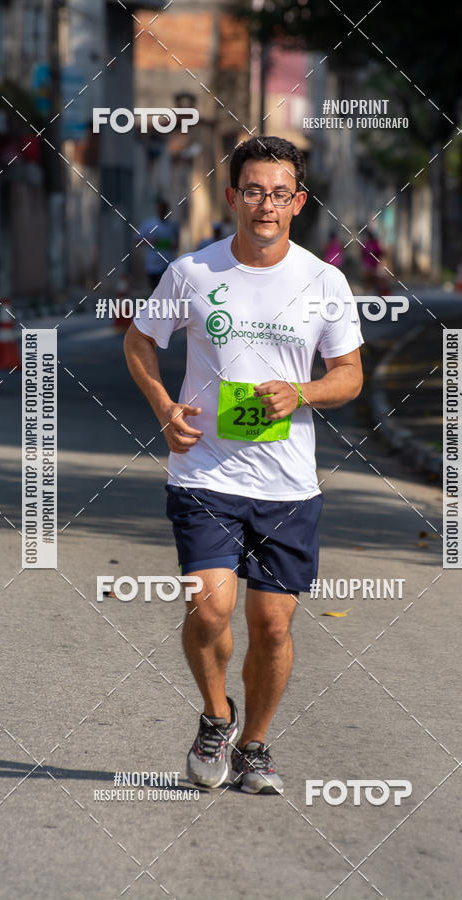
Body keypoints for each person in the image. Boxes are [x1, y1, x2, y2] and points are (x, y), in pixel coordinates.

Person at [124, 135, 363, 794]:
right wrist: (164, 406)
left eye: (279, 192)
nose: (265, 204)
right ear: (233, 197)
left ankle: (254, 744)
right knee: (208, 610)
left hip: (288, 484)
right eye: (253, 190)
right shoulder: (193, 273)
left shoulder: (324, 281)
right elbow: (140, 341)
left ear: (298, 202)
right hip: (205, 475)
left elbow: (349, 376)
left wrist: (303, 393)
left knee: (272, 624)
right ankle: (215, 716)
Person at [139, 200, 179, 291]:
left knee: (165, 291)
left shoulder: (173, 226)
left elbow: (176, 245)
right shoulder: (148, 224)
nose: (162, 212)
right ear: (157, 210)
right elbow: (137, 240)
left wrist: (165, 243)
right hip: (152, 265)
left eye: (164, 210)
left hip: (167, 264)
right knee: (155, 291)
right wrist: (150, 241)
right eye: (160, 210)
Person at [361, 228, 383, 293]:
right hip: (367, 264)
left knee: (373, 278)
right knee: (367, 279)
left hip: (373, 264)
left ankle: (375, 290)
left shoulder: (375, 243)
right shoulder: (366, 244)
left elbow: (380, 253)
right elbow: (362, 253)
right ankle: (367, 290)